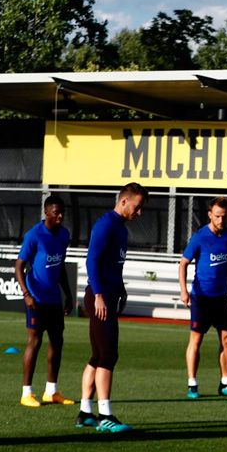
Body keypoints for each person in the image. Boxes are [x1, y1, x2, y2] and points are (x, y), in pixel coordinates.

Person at [76, 183, 147, 433]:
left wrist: (121, 289)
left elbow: (113, 266)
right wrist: (98, 295)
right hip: (100, 298)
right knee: (108, 356)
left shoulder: (120, 228)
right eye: (137, 207)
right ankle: (105, 415)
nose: (139, 213)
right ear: (124, 201)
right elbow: (91, 261)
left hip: (108, 295)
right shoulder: (106, 224)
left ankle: (85, 412)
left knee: (98, 356)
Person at [179, 197, 227, 400]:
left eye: (224, 216)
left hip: (221, 298)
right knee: (196, 340)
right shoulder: (199, 238)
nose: (221, 220)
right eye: (217, 216)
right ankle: (192, 384)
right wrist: (184, 291)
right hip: (202, 298)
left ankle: (225, 383)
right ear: (209, 214)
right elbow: (183, 263)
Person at [15, 194, 75, 408]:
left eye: (63, 212)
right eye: (57, 212)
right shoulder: (34, 235)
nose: (60, 216)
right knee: (35, 341)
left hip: (54, 299)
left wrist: (67, 294)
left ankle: (51, 391)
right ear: (46, 212)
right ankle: (26, 393)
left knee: (57, 341)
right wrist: (26, 294)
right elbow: (19, 266)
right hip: (36, 298)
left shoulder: (64, 235)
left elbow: (59, 268)